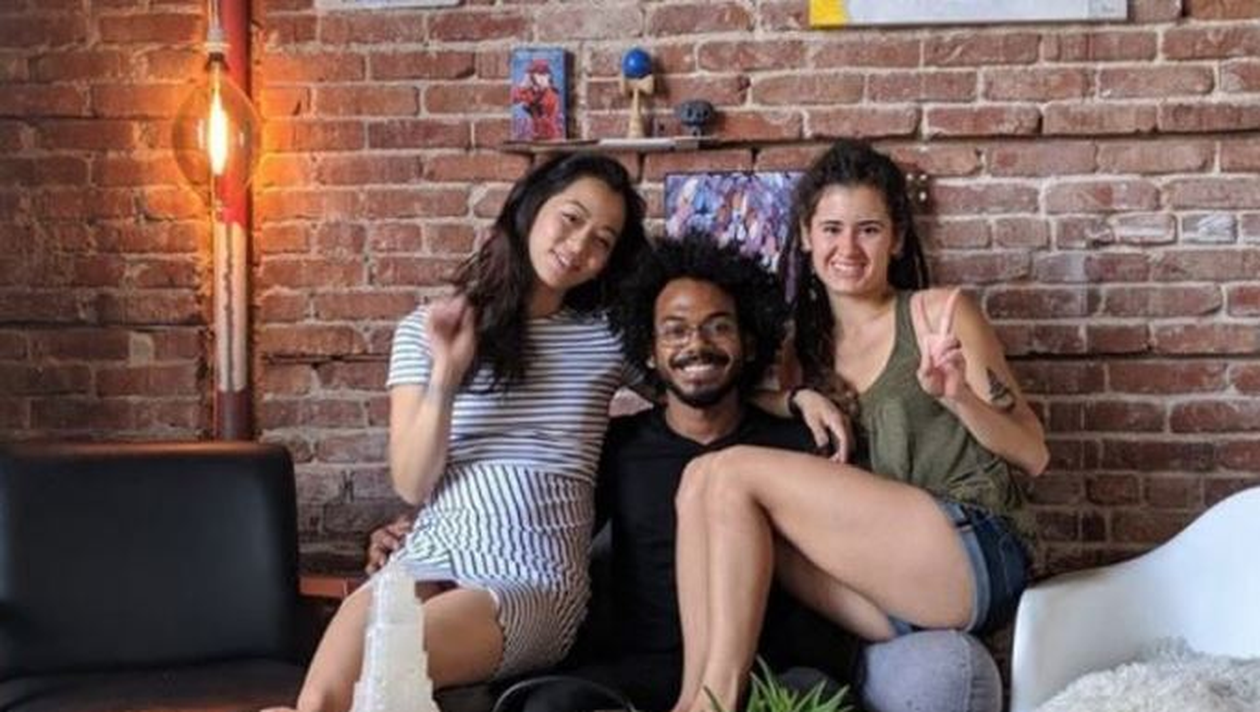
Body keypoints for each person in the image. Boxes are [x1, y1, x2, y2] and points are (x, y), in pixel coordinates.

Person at [368, 235, 859, 712]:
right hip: (642, 669)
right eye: (675, 331)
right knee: (547, 705)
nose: (697, 344)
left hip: (767, 671)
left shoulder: (796, 444)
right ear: (648, 353)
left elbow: (843, 565)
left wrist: (795, 399)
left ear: (749, 344)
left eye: (718, 327)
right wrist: (417, 536)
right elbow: (535, 529)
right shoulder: (618, 448)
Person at [670, 139, 1051, 712]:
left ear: (895, 239)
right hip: (889, 590)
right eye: (832, 229)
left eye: (868, 230)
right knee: (700, 482)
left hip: (975, 550)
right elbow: (749, 399)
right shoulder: (806, 349)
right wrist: (797, 397)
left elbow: (1034, 454)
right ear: (806, 235)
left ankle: (712, 707)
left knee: (729, 474)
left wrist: (959, 398)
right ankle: (692, 701)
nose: (847, 248)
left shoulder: (938, 314)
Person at [275, 152, 649, 712]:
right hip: (432, 551)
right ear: (531, 208)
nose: (579, 247)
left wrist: (784, 395)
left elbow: (697, 390)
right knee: (318, 700)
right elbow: (412, 483)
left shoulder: (607, 339)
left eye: (603, 240)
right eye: (571, 219)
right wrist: (448, 372)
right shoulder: (428, 331)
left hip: (533, 574)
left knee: (385, 669)